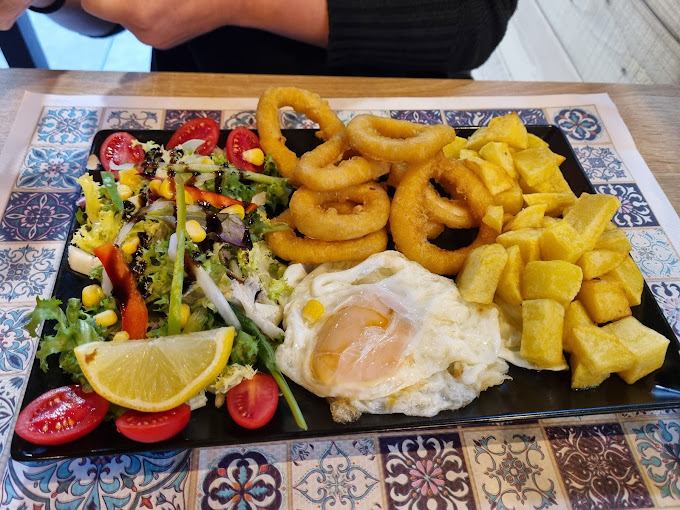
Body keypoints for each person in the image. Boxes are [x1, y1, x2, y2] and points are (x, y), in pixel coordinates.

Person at [1, 0, 517, 78]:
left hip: (398, 94)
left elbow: (472, 22)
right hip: (191, 115)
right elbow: (102, 21)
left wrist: (236, 4)